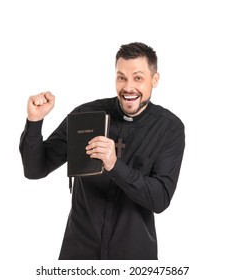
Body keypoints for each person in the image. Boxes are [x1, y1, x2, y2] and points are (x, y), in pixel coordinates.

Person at [19, 42, 185, 260]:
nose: (128, 87)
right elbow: (35, 169)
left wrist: (115, 166)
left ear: (154, 80)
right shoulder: (85, 115)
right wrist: (34, 121)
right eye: (121, 77)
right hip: (78, 254)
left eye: (138, 78)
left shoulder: (169, 128)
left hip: (133, 259)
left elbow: (160, 199)